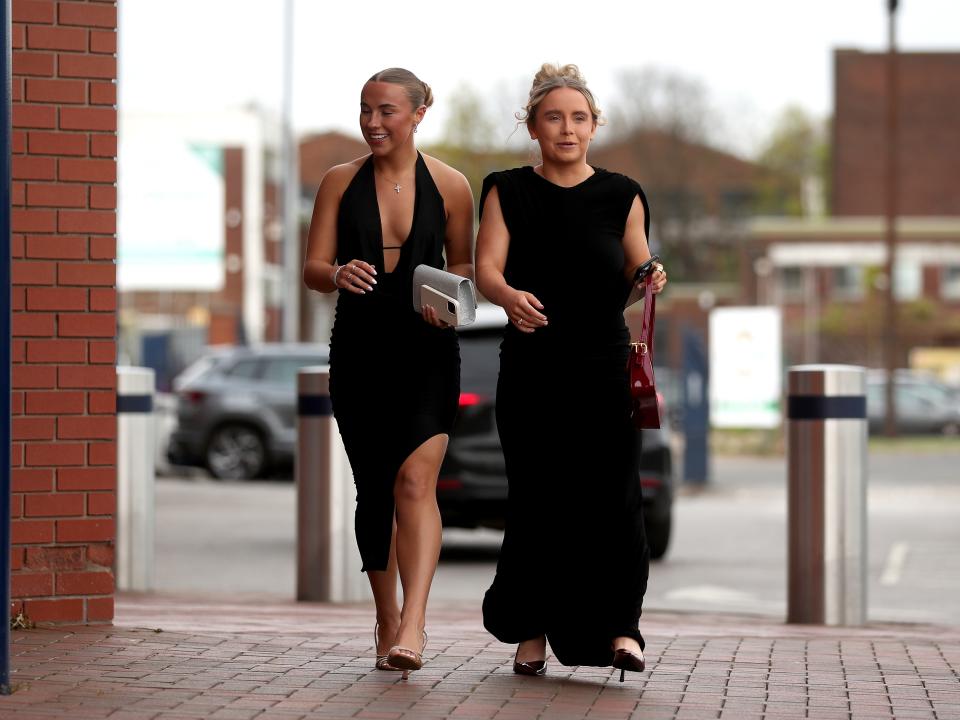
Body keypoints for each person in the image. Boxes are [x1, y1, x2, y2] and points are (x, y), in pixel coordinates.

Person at [475, 63, 667, 681]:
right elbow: (486, 269)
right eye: (553, 117)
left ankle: (622, 629)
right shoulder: (506, 189)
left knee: (615, 497)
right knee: (538, 499)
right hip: (532, 365)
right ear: (532, 126)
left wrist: (651, 276)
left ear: (594, 126)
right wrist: (508, 297)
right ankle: (530, 633)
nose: (567, 128)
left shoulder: (623, 193)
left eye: (579, 118)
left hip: (604, 368)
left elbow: (638, 268)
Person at [302, 68, 474, 679]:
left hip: (428, 353)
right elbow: (312, 268)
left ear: (419, 113)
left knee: (415, 484)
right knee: (375, 490)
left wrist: (447, 297)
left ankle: (414, 623)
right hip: (360, 353)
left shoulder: (452, 186)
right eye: (365, 110)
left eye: (386, 111)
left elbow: (466, 268)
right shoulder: (338, 181)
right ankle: (386, 615)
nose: (372, 123)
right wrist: (336, 273)